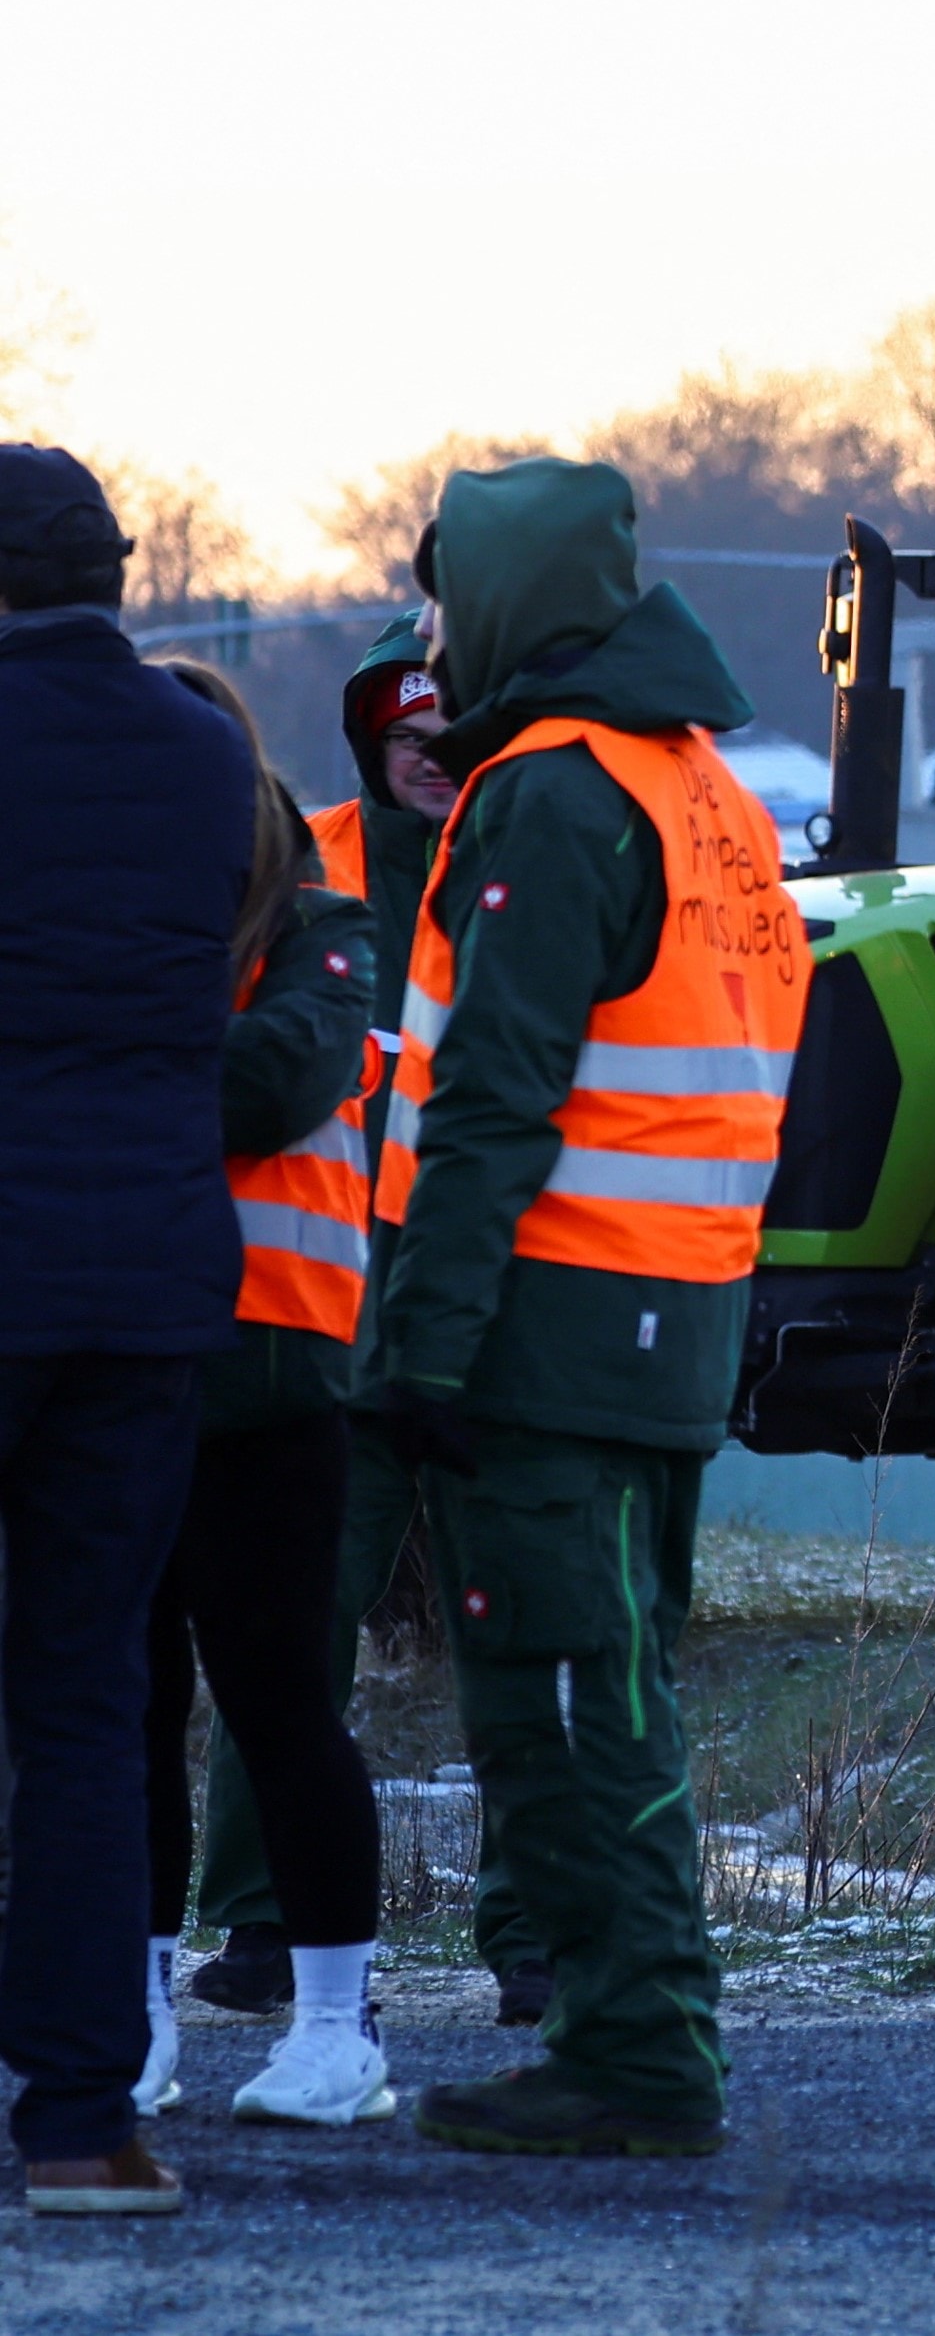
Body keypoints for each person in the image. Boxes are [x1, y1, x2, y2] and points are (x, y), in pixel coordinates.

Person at [366, 459, 806, 2160]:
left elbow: (495, 1098)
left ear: (510, 608)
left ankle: (631, 2056)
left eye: (441, 601)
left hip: (545, 1332)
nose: (424, 635)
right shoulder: (707, 792)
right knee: (621, 1692)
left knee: (558, 1698)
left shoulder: (550, 795)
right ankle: (642, 2033)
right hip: (670, 1322)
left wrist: (421, 1339)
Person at [186, 623, 553, 2031]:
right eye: (410, 743)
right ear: (367, 744)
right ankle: (263, 1925)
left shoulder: (533, 865)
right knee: (282, 1635)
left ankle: (530, 1935)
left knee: (518, 1625)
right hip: (327, 1316)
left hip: (495, 1306)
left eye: (455, 747)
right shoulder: (304, 863)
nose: (433, 769)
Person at [0, 446, 252, 2216]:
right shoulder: (212, 754)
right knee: (89, 1704)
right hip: (150, 1278)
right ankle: (84, 2120)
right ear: (119, 571)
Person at [137, 661, 393, 2129]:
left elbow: (277, 1078)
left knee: (282, 1707)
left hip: (278, 1376)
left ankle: (339, 2028)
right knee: (121, 1710)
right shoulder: (118, 937)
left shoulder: (318, 930)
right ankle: (135, 2011)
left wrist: (102, 1053)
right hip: (127, 1364)